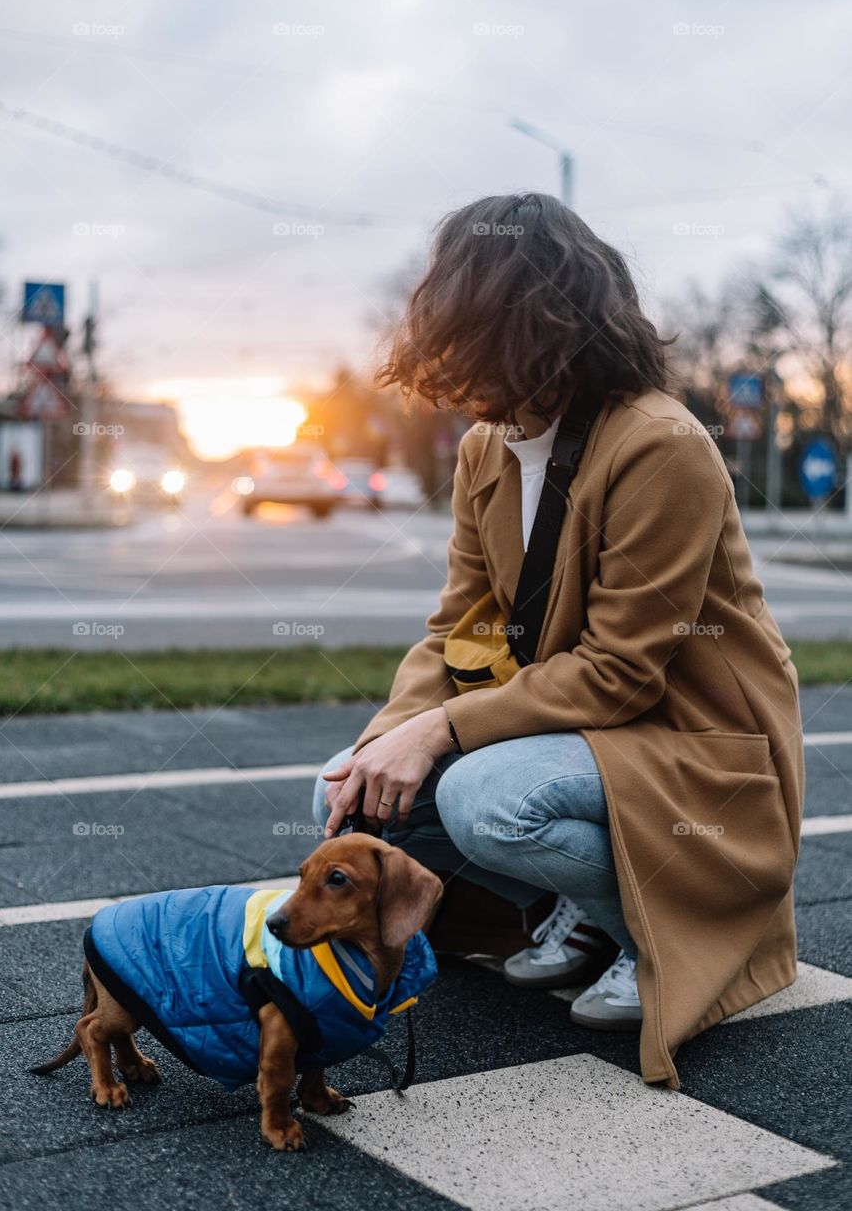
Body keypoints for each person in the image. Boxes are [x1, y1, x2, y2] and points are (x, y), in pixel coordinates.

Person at [313, 193, 804, 1088]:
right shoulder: (484, 449)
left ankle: (657, 930)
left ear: (528, 321)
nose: (441, 347)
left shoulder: (660, 446)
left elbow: (621, 672)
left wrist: (441, 734)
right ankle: (576, 905)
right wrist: (393, 736)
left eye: (458, 320)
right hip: (579, 729)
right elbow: (455, 627)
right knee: (341, 796)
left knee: (486, 802)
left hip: (687, 737)